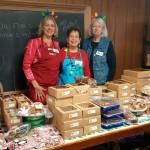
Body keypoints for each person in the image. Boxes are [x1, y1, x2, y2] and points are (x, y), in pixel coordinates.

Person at [23, 16, 61, 104]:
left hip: (54, 89)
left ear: (55, 29)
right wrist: (36, 86)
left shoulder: (56, 45)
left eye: (52, 26)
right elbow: (26, 66)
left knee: (54, 115)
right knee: (41, 115)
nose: (49, 28)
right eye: (47, 25)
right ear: (42, 27)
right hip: (39, 89)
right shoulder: (34, 43)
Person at [83, 17, 116, 85]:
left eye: (99, 26)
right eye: (94, 26)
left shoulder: (107, 43)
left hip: (102, 82)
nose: (96, 29)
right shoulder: (85, 43)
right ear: (91, 28)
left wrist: (108, 81)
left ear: (102, 29)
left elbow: (112, 66)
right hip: (87, 82)